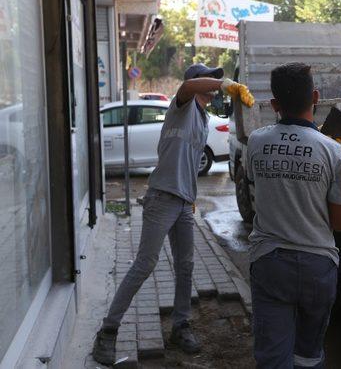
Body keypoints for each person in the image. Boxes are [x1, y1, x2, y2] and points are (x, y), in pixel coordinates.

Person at [92, 64, 254, 366]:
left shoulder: (203, 118)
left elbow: (188, 162)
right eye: (209, 78)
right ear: (194, 82)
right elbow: (188, 89)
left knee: (187, 266)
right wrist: (224, 84)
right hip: (162, 199)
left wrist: (190, 196)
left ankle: (181, 326)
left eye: (216, 79)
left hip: (182, 203)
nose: (215, 83)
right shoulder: (182, 104)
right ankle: (108, 331)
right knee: (145, 264)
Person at [247, 62, 341, 368]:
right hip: (317, 268)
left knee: (272, 358)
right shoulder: (333, 151)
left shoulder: (256, 141)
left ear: (274, 105)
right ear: (316, 97)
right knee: (308, 357)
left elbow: (258, 185)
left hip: (270, 264)